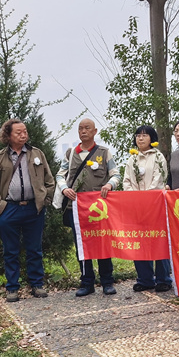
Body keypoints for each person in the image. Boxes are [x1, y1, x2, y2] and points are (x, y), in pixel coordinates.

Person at [0, 118, 55, 303]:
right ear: (8, 135)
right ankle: (12, 288)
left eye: (25, 131)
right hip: (10, 209)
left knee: (35, 249)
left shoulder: (36, 153)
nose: (23, 135)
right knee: (10, 251)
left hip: (34, 208)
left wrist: (45, 200)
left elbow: (49, 180)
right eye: (19, 132)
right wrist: (0, 207)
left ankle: (37, 284)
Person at [56, 118, 120, 297]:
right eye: (80, 129)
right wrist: (64, 188)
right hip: (76, 209)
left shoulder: (104, 153)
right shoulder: (70, 154)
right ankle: (87, 282)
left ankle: (107, 281)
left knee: (102, 243)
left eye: (87, 128)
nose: (83, 131)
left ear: (95, 131)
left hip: (99, 209)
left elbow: (115, 174)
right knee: (81, 245)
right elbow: (60, 175)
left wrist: (110, 185)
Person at [123, 125, 172, 292]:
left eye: (144, 135)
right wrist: (134, 198)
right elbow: (127, 181)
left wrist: (146, 199)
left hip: (155, 206)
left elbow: (159, 180)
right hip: (136, 207)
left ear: (152, 138)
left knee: (158, 240)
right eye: (138, 135)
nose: (140, 138)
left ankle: (163, 279)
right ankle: (145, 279)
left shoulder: (158, 157)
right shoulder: (132, 158)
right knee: (139, 240)